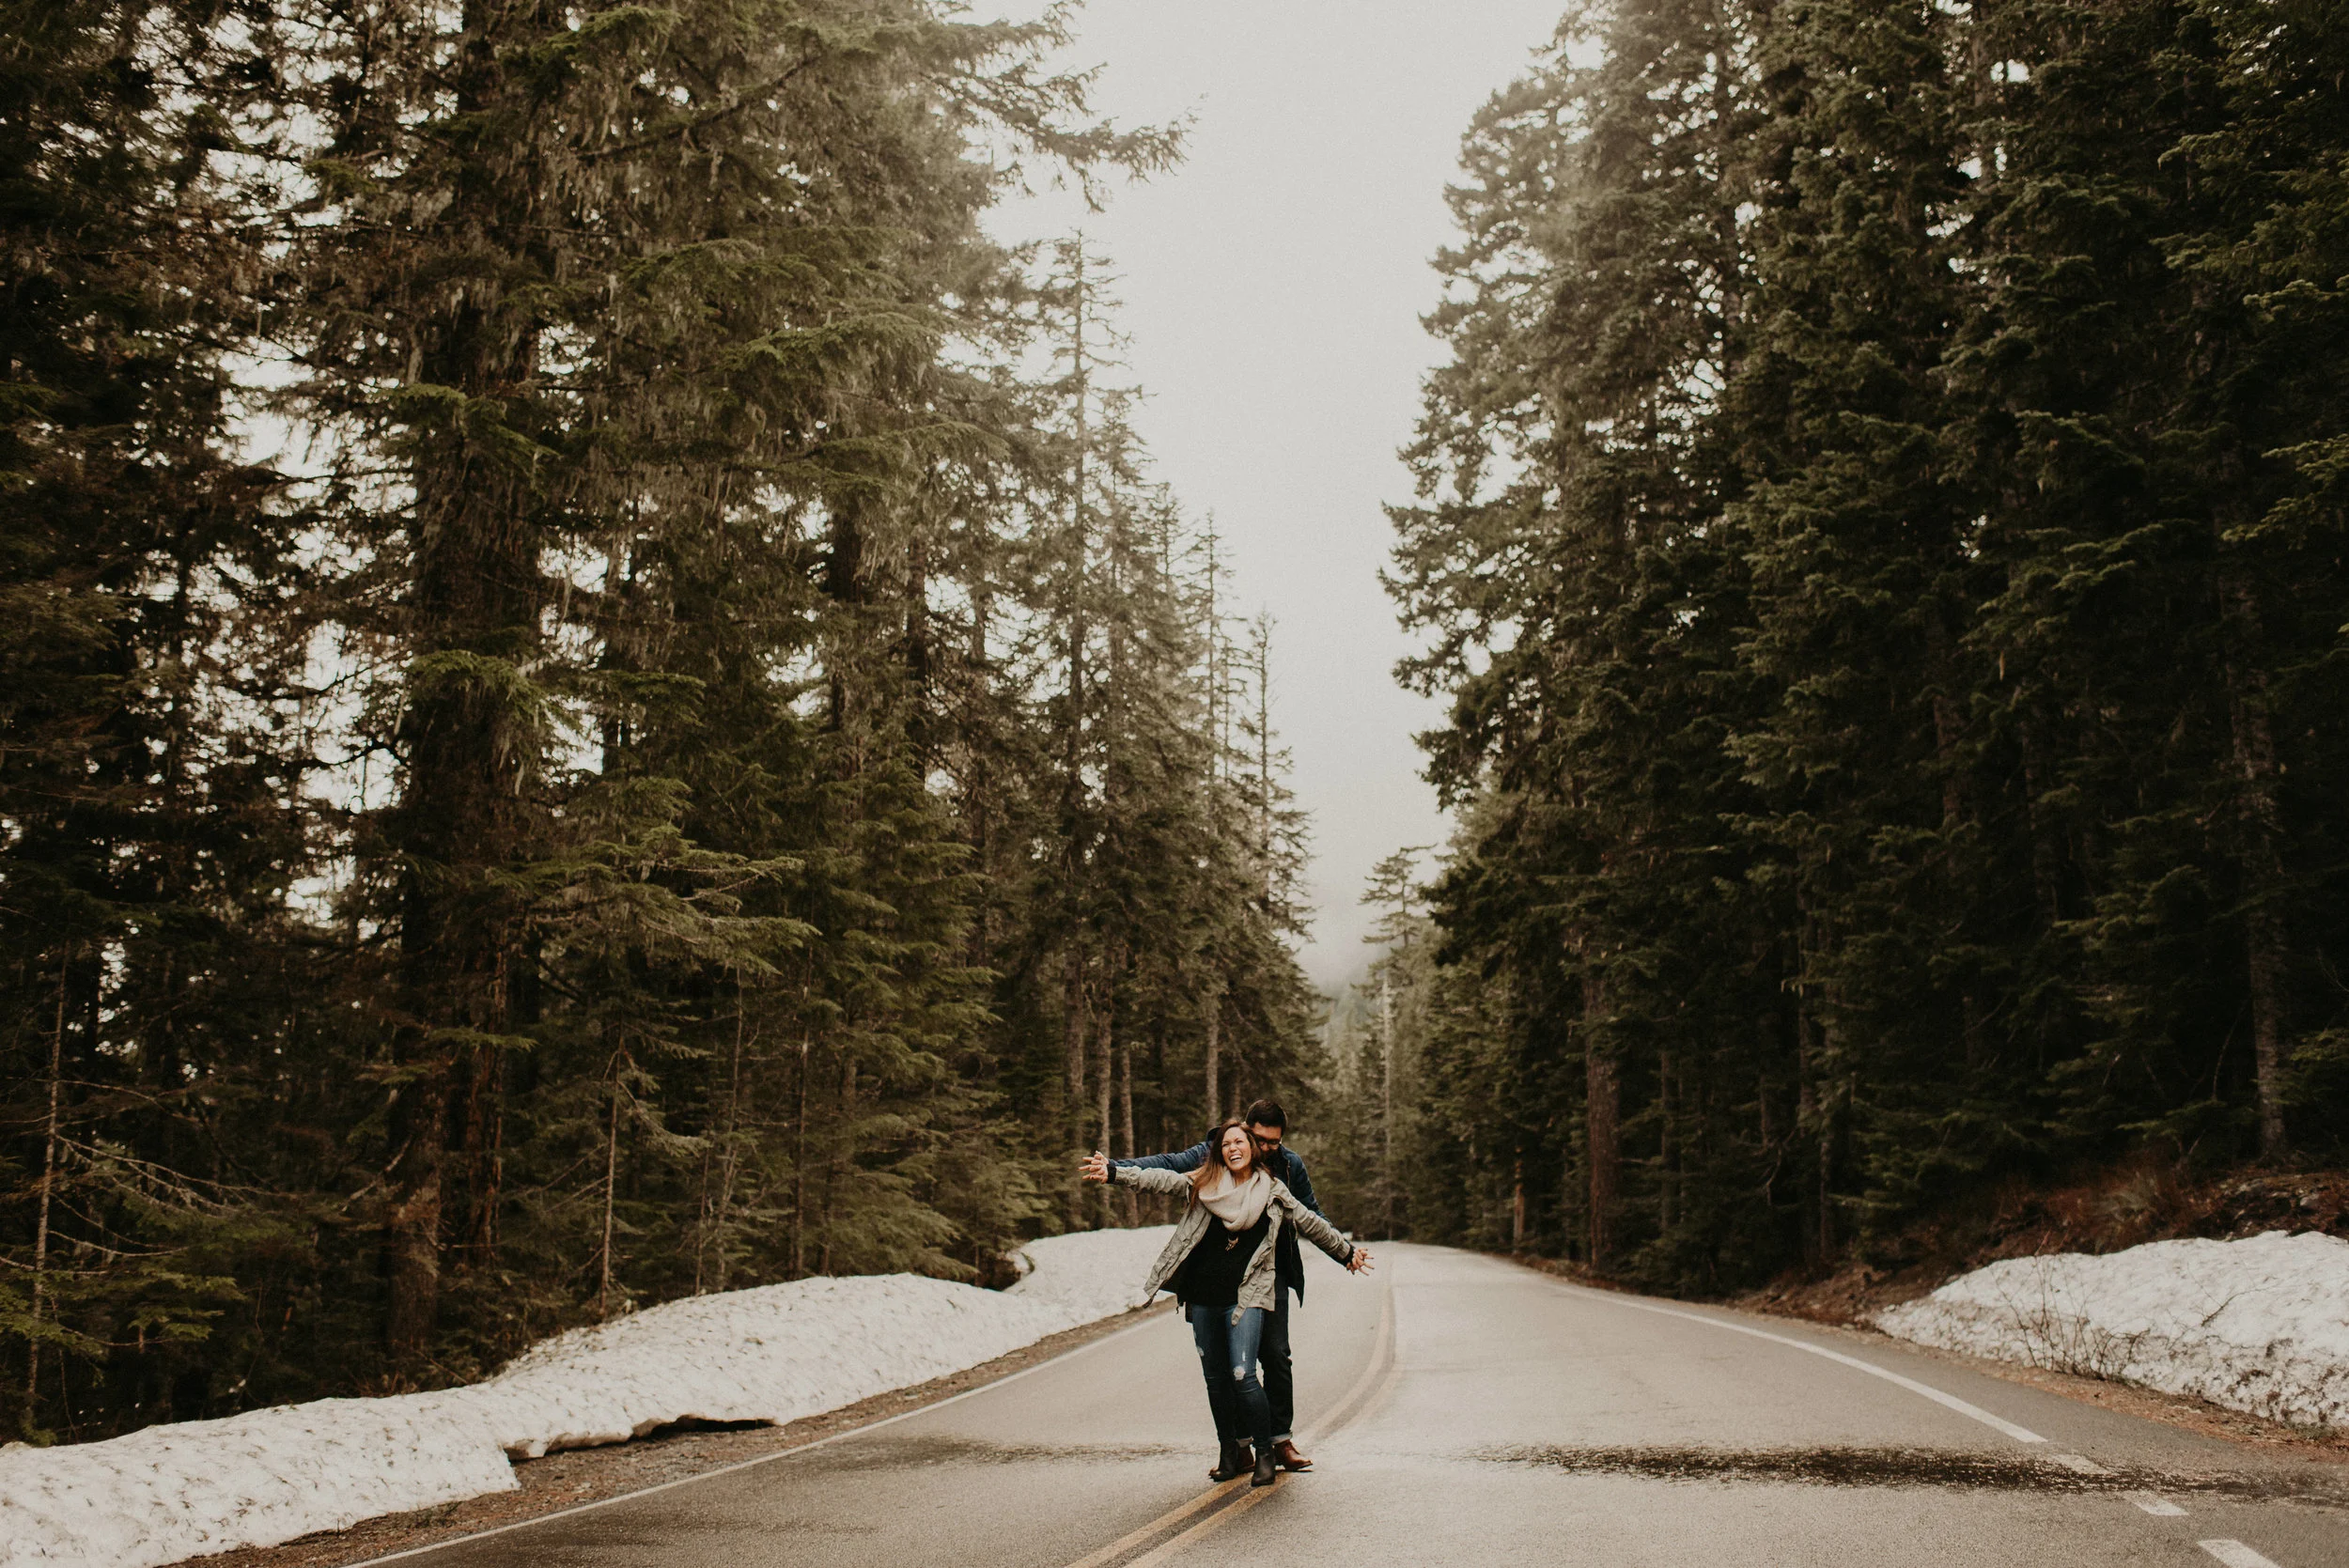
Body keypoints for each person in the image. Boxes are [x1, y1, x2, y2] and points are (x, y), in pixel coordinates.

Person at [1083, 1118, 1372, 1488]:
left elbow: (1309, 1221)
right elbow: (1160, 1179)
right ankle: (1230, 1451)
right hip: (1204, 1297)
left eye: (1240, 1142)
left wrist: (1345, 1252)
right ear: (1220, 1152)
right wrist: (1114, 1172)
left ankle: (1266, 1452)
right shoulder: (1203, 1183)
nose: (1233, 1149)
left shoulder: (1271, 1190)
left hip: (1247, 1296)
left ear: (1251, 1149)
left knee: (1243, 1375)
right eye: (1225, 1145)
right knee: (1215, 1380)